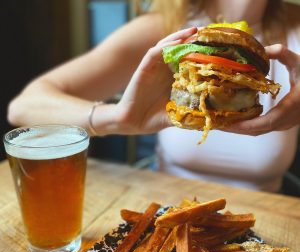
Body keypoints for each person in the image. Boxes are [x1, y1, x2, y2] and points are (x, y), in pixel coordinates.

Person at [7, 0, 300, 193]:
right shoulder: (166, 28)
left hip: (267, 222)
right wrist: (116, 118)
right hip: (168, 215)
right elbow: (24, 107)